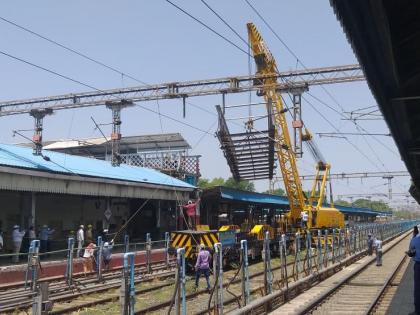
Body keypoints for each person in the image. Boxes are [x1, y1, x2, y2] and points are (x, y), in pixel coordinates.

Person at [409, 234, 420, 314]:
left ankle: (418, 310)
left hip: (418, 265)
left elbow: (411, 252)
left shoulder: (414, 239)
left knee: (418, 288)